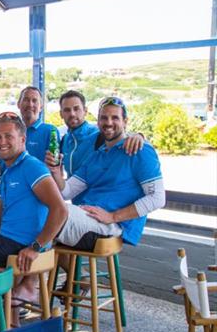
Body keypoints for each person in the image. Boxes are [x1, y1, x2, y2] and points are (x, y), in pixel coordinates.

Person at [0, 112, 67, 311]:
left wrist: (36, 247)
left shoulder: (32, 167)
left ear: (23, 139)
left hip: (20, 246)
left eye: (8, 136)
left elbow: (60, 210)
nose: (2, 142)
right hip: (7, 242)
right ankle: (3, 317)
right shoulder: (7, 171)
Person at [50, 96, 164, 251]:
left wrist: (113, 216)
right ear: (98, 122)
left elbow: (157, 198)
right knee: (31, 209)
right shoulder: (97, 155)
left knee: (46, 213)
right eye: (104, 118)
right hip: (87, 218)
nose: (108, 122)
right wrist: (56, 172)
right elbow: (67, 192)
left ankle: (29, 271)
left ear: (125, 121)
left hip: (112, 227)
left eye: (115, 118)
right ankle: (30, 272)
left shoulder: (139, 150)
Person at [49, 90, 145, 178]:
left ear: (85, 111)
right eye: (67, 110)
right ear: (61, 114)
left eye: (76, 109)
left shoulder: (98, 134)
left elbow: (119, 135)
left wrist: (139, 136)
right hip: (72, 194)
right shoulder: (65, 140)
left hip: (99, 195)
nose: (72, 114)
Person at [17, 86, 59, 162]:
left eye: (34, 100)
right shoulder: (13, 130)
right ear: (18, 104)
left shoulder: (50, 131)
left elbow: (54, 164)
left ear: (41, 107)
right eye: (26, 100)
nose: (30, 104)